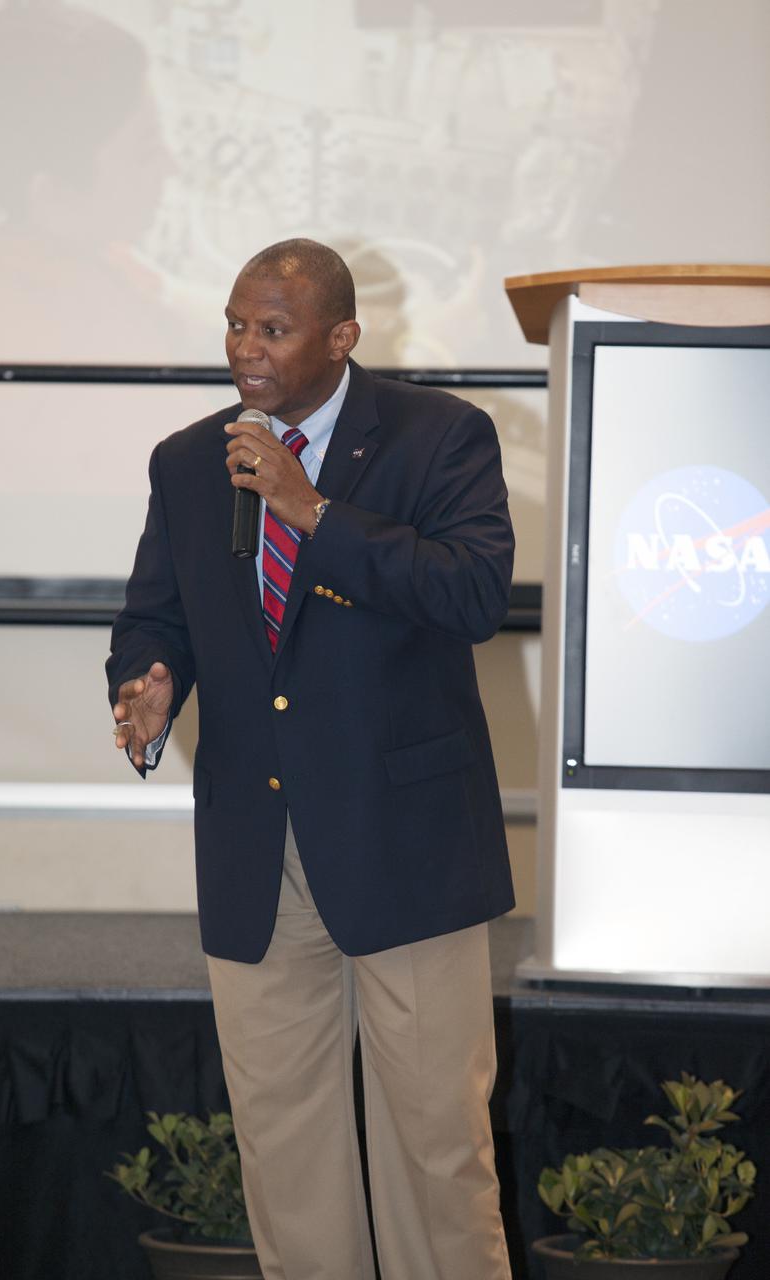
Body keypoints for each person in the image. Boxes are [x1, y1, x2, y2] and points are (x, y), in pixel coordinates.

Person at [107, 239, 515, 1280]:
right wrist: (149, 677)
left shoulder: (441, 437)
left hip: (405, 845)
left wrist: (311, 511)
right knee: (284, 1154)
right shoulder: (189, 460)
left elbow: (471, 594)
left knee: (436, 1150)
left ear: (341, 337)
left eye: (273, 329)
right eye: (237, 324)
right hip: (257, 839)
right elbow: (157, 612)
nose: (247, 349)